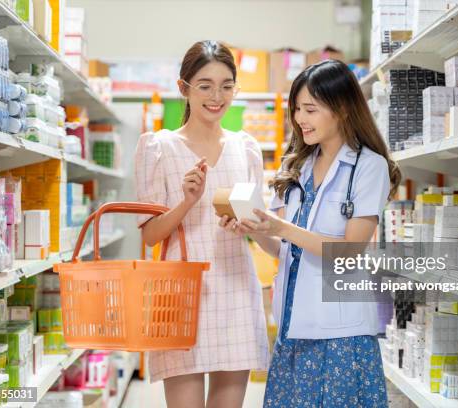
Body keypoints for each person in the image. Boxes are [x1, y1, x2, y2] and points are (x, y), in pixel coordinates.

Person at [219, 59, 401, 407]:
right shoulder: (296, 166)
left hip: (340, 332)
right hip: (292, 325)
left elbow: (349, 250)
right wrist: (253, 230)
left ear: (343, 108)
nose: (300, 118)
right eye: (297, 109)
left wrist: (282, 227)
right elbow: (283, 249)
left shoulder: (368, 166)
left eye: (311, 109)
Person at [134, 40, 269, 408]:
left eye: (227, 85)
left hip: (236, 288)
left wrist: (249, 225)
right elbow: (149, 236)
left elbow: (260, 222)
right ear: (184, 89)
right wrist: (186, 202)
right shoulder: (158, 148)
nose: (217, 96)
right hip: (180, 295)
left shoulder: (246, 148)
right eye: (205, 85)